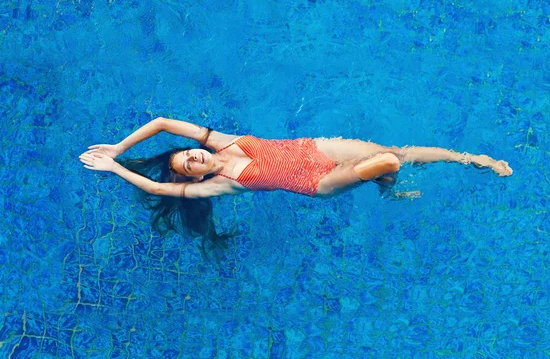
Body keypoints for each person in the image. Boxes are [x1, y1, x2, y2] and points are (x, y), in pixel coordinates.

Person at [79, 117, 512, 252]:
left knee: (395, 153)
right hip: (318, 179)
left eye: (187, 152)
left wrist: (118, 147)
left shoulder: (221, 141)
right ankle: (388, 188)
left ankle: (472, 160)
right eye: (190, 165)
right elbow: (157, 191)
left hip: (318, 148)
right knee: (383, 162)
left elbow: (160, 122)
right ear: (197, 176)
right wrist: (115, 169)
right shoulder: (221, 185)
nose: (193, 156)